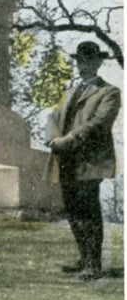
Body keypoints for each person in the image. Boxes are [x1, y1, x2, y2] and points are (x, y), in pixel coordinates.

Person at [47, 41, 121, 282]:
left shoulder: (109, 92)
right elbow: (53, 117)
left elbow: (99, 123)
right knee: (73, 212)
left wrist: (69, 138)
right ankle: (84, 258)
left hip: (90, 161)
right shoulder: (69, 91)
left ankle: (93, 265)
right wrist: (52, 138)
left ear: (98, 62)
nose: (83, 65)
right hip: (66, 159)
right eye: (80, 60)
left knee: (88, 213)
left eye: (89, 61)